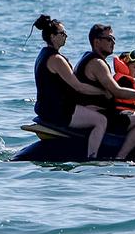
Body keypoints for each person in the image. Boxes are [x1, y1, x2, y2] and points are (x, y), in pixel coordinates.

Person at [74, 25, 135, 161]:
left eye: (114, 39)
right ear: (96, 41)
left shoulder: (88, 58)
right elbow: (118, 92)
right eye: (109, 39)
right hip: (101, 114)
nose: (113, 43)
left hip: (98, 112)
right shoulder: (97, 63)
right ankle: (121, 158)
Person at [31, 14, 114, 159]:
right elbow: (79, 87)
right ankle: (92, 157)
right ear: (52, 36)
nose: (66, 36)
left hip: (46, 108)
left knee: (93, 110)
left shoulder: (43, 54)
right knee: (101, 121)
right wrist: (102, 92)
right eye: (62, 33)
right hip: (59, 112)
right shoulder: (56, 60)